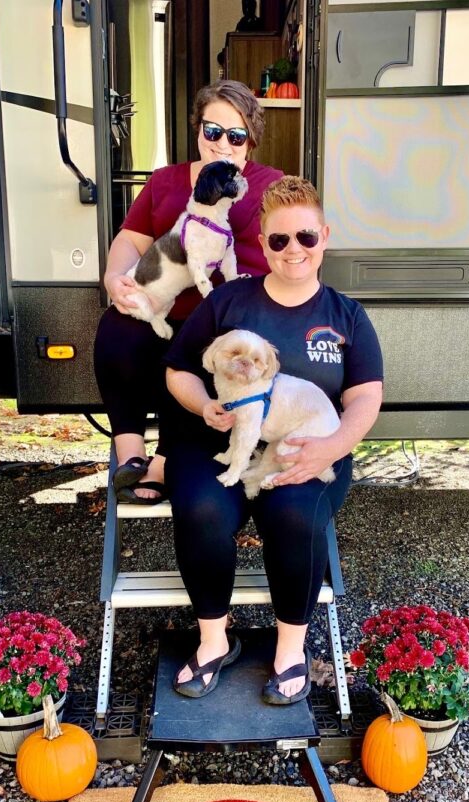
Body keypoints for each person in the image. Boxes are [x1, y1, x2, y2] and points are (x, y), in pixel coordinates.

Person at [163, 177, 384, 703]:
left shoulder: (346, 316)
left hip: (311, 442)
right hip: (218, 436)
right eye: (279, 240)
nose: (293, 250)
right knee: (201, 506)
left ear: (324, 237)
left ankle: (290, 649)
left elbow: (365, 401)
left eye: (305, 237)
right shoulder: (229, 302)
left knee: (292, 510)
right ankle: (214, 641)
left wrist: (331, 449)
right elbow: (177, 370)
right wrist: (204, 406)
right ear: (262, 244)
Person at [94, 80, 283, 503]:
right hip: (167, 300)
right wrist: (114, 276)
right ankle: (131, 457)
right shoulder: (166, 182)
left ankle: (164, 460)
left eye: (235, 136)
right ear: (198, 130)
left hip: (232, 315)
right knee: (116, 331)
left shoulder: (269, 185)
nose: (221, 144)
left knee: (187, 348)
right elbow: (131, 238)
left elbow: (291, 244)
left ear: (250, 140)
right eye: (212, 131)